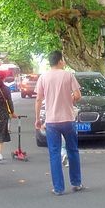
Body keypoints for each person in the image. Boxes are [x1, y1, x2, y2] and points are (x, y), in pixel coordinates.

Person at [34, 50, 83, 195]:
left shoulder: (43, 77)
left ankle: (58, 188)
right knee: (73, 151)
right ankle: (76, 182)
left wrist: (38, 119)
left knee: (54, 153)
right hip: (68, 119)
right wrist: (69, 100)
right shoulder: (68, 75)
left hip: (51, 122)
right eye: (63, 60)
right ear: (60, 61)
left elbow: (38, 99)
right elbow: (78, 95)